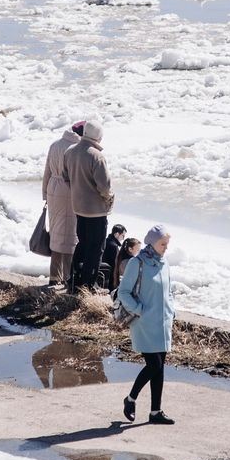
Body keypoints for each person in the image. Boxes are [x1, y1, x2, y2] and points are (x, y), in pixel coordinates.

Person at [118, 225, 175, 425]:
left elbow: (169, 291)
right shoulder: (138, 263)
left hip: (163, 323)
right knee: (154, 365)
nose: (166, 248)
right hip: (144, 323)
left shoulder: (164, 262)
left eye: (167, 244)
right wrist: (139, 310)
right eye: (163, 244)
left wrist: (171, 311)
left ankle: (155, 412)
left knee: (160, 369)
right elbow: (123, 292)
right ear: (152, 243)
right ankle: (131, 399)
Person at [62, 120, 114, 292]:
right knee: (96, 248)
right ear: (98, 136)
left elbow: (65, 176)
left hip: (78, 207)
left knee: (82, 243)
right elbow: (104, 187)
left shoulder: (70, 151)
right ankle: (89, 285)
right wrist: (110, 197)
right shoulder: (96, 156)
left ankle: (74, 280)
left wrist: (76, 191)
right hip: (96, 211)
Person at [42, 121, 83, 287]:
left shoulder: (55, 144)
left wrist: (45, 193)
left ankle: (54, 275)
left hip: (53, 189)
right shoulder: (77, 148)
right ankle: (67, 278)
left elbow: (47, 171)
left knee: (57, 234)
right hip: (69, 190)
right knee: (69, 237)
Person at [99, 224, 126, 289]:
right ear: (117, 234)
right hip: (108, 277)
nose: (123, 238)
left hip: (100, 272)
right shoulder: (114, 246)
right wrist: (114, 282)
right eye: (123, 235)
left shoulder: (104, 241)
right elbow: (114, 265)